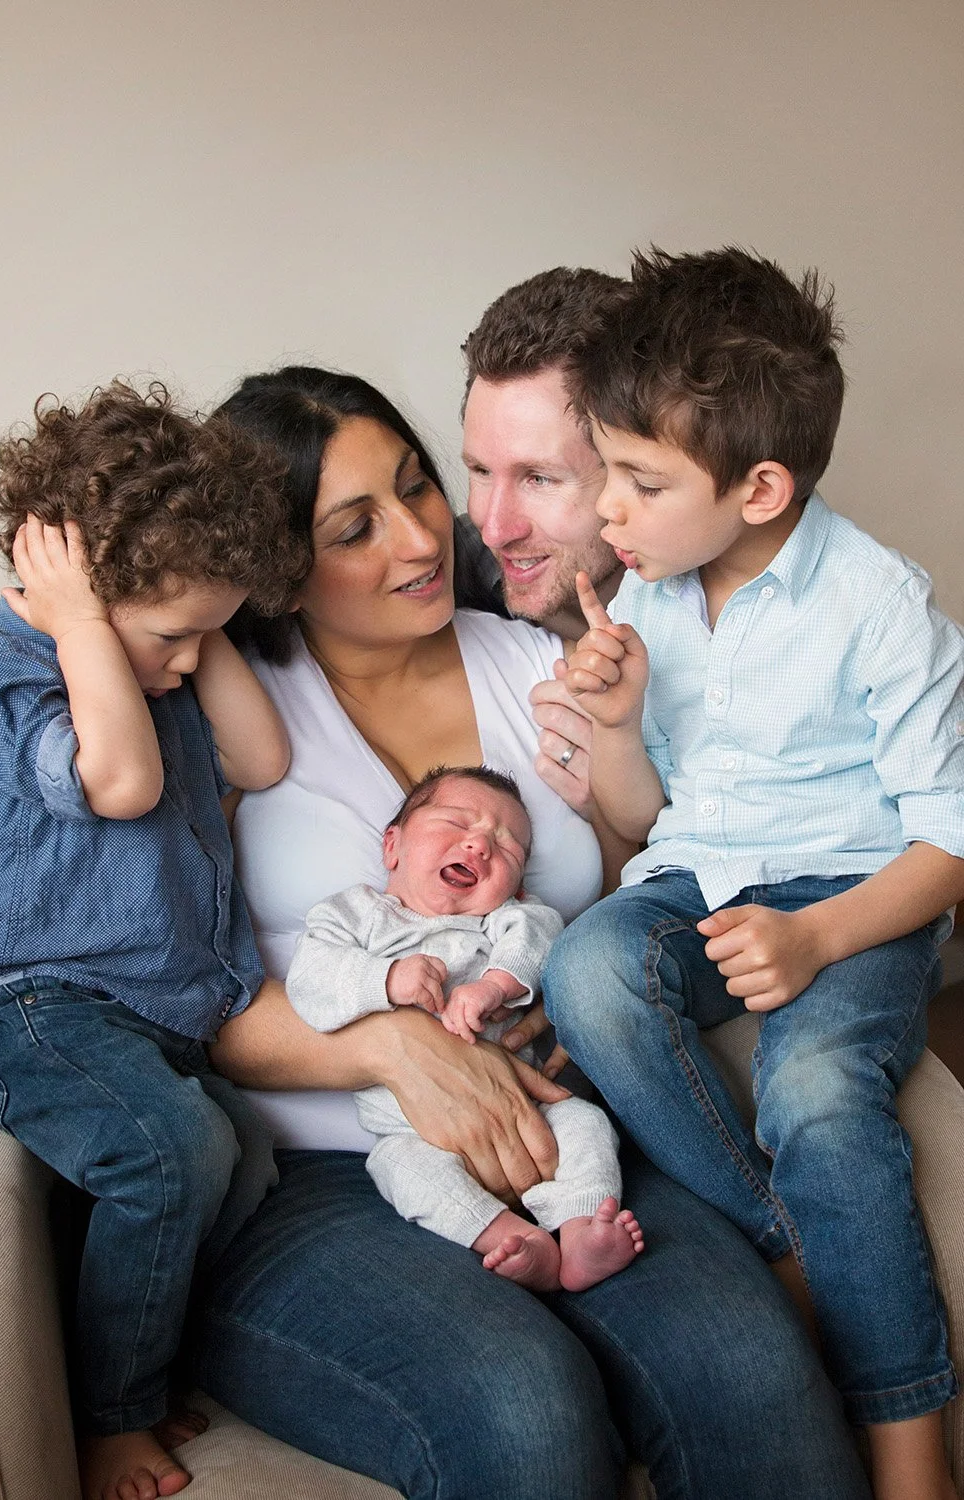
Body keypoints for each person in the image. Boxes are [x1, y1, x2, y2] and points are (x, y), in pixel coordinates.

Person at [190, 361, 872, 1499]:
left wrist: (611, 805)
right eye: (355, 525)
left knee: (749, 1369)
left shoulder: (532, 661)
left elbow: (618, 898)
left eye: (417, 487)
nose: (419, 540)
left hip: (558, 1130)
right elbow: (174, 991)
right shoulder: (220, 709)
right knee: (522, 1410)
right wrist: (393, 1049)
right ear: (275, 564)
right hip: (317, 1171)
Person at [540, 247, 964, 1500]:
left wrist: (823, 939)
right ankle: (780, 1242)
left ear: (760, 487)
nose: (603, 512)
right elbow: (654, 817)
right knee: (591, 968)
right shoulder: (655, 597)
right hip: (703, 876)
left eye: (638, 481)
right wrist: (617, 723)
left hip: (854, 893)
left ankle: (909, 1450)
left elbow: (950, 841)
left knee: (824, 1094)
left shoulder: (881, 607)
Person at [0, 381, 303, 1500]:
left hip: (151, 1015)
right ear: (84, 602)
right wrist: (80, 629)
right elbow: (118, 783)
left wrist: (192, 638)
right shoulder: (3, 677)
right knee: (172, 1152)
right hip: (28, 1004)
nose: (183, 659)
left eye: (208, 632)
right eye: (172, 635)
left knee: (240, 1163)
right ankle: (110, 1418)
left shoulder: (152, 667)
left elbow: (261, 763)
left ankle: (127, 1351)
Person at [288, 763, 642, 1292]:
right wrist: (385, 977)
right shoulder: (356, 915)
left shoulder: (503, 918)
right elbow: (309, 979)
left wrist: (496, 985)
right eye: (456, 823)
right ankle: (510, 1238)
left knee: (586, 1124)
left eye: (507, 848)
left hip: (529, 1106)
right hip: (412, 1128)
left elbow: (540, 937)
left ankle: (580, 1230)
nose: (480, 844)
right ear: (393, 847)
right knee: (397, 1169)